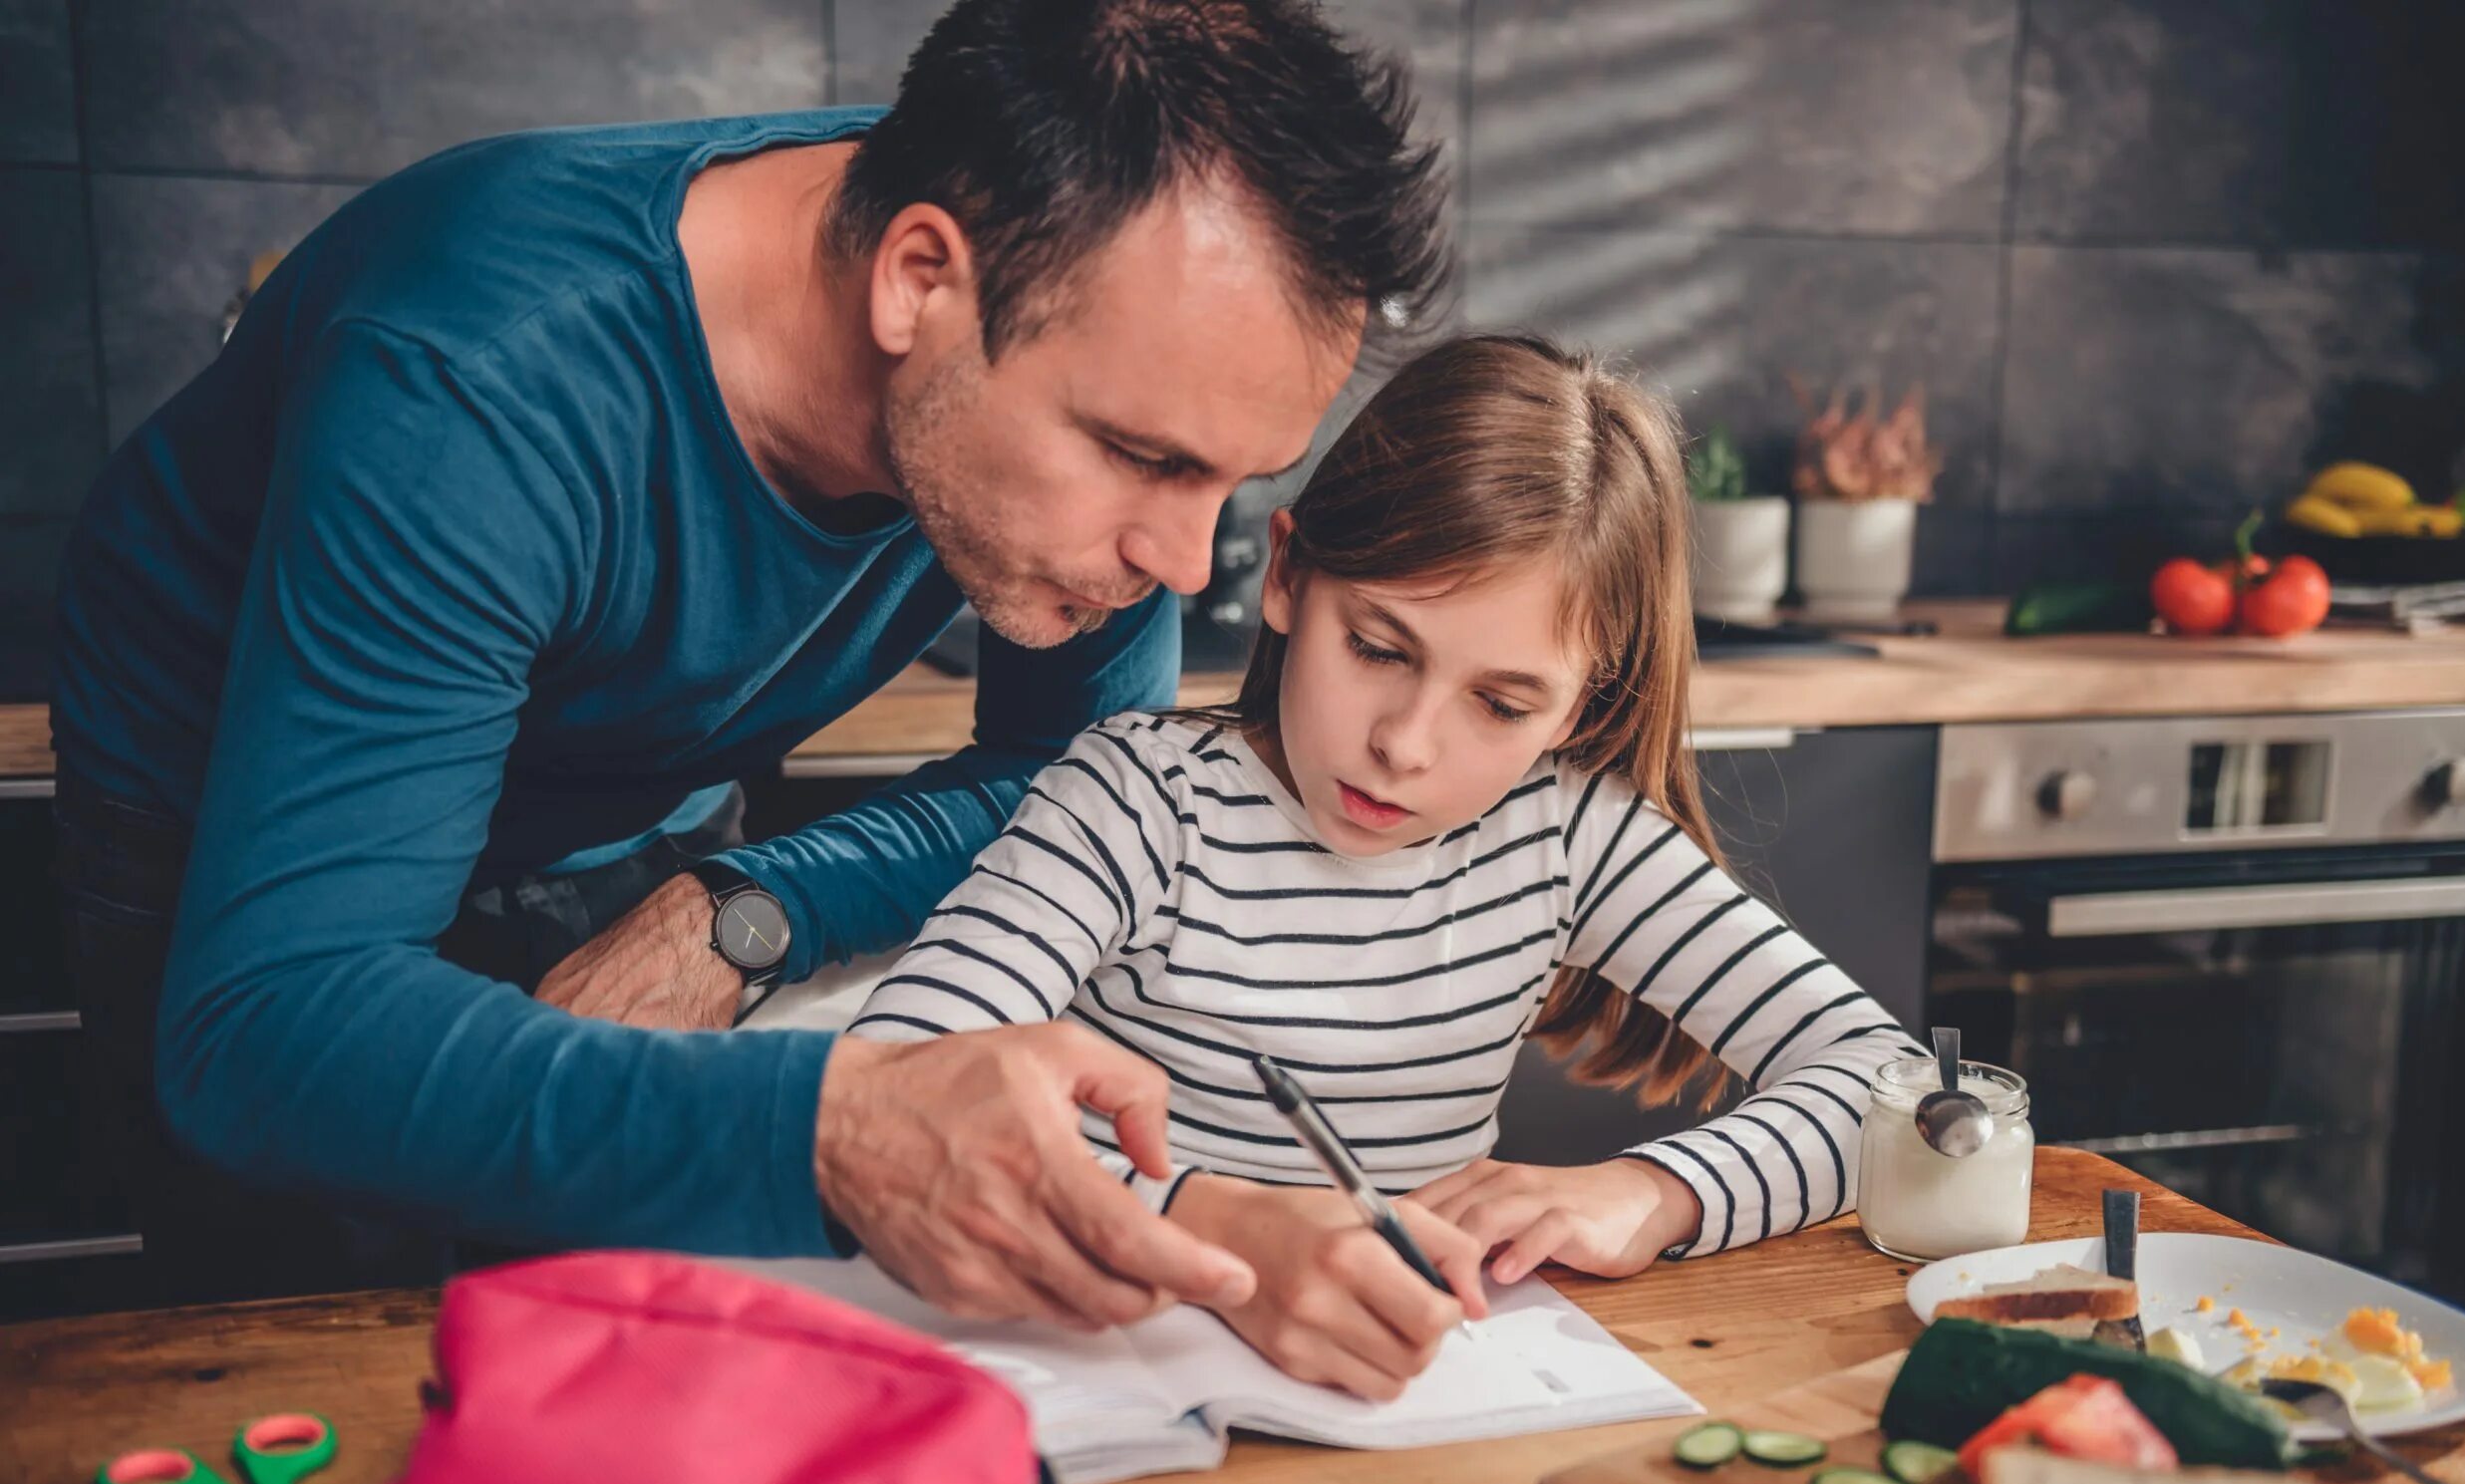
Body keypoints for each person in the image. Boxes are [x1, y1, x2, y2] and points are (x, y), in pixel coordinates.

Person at [45, 0, 1448, 1315]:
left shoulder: (1074, 288)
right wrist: (833, 1130)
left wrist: (745, 901)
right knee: (317, 1338)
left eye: (1233, 483)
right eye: (1146, 459)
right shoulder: (485, 372)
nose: (1189, 563)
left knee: (626, 1350)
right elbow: (272, 1028)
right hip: (237, 833)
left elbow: (1076, 780)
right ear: (919, 282)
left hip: (643, 795)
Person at [850, 334, 1926, 1398]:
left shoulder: (1569, 838)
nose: (1405, 744)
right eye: (1376, 647)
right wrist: (1202, 1225)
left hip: (1398, 1396)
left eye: (1501, 703)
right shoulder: (1137, 805)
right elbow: (889, 1091)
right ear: (1287, 576)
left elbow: (1901, 1089)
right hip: (1117, 1373)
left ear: (1578, 709)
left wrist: (1650, 1192)